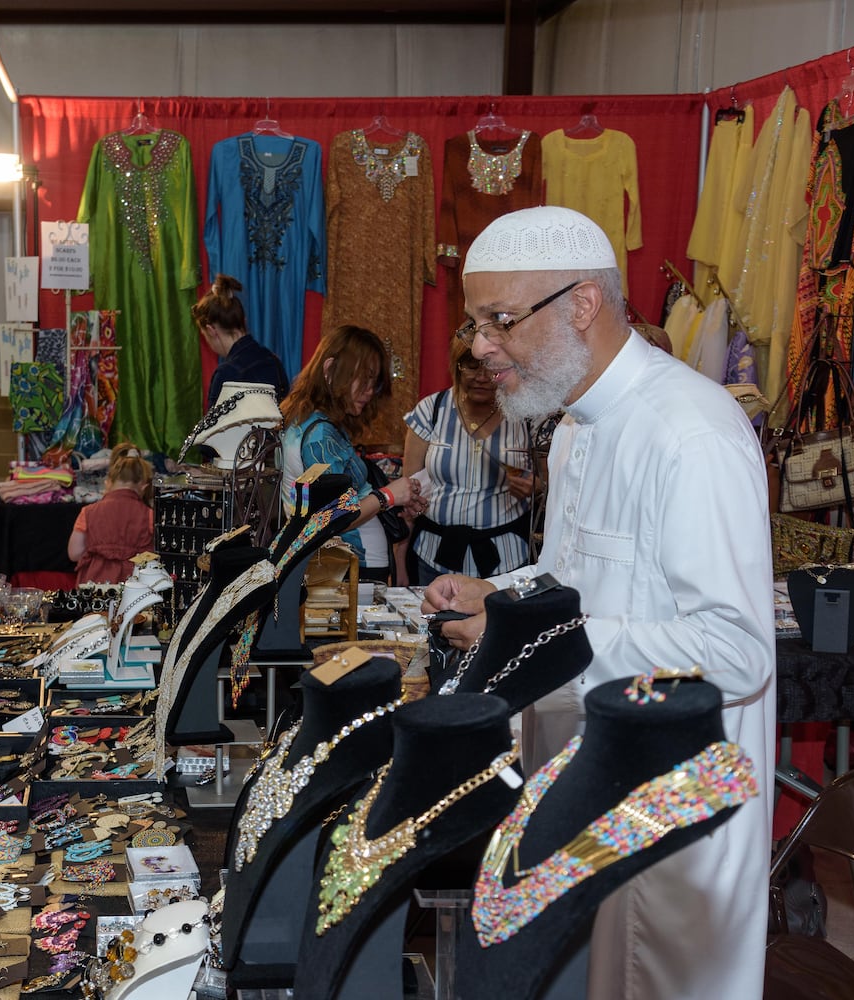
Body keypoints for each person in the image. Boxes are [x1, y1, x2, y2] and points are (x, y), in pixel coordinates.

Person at [423, 206, 773, 1000]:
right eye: (478, 322)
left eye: (499, 320)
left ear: (582, 304)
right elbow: (569, 582)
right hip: (584, 783)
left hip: (667, 809)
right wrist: (499, 595)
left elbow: (736, 650)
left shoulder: (693, 433)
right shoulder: (578, 424)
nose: (481, 346)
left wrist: (551, 639)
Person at [279, 325, 426, 582]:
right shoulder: (320, 434)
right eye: (364, 379)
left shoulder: (310, 423)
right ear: (329, 370)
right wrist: (389, 496)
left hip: (348, 565)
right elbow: (333, 516)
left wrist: (395, 496)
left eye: (374, 382)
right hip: (348, 567)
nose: (370, 391)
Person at [401, 336, 535, 586]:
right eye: (472, 366)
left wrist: (534, 487)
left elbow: (551, 483)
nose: (482, 377)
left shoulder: (525, 413)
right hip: (434, 556)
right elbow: (409, 491)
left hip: (506, 559)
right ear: (456, 366)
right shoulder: (431, 410)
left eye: (491, 367)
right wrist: (399, 557)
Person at [193, 274, 289, 407]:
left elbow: (214, 427)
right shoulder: (273, 361)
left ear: (211, 330)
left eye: (204, 335)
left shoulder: (226, 375)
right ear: (242, 320)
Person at [68, 442, 155, 584]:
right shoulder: (149, 515)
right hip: (135, 588)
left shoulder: (88, 512)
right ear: (144, 486)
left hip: (95, 586)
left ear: (108, 482)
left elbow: (74, 553)